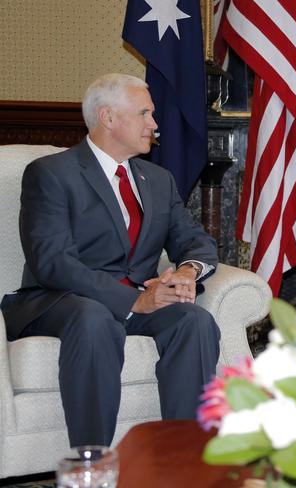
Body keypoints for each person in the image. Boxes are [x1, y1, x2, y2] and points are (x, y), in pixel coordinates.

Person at [0, 73, 220, 448]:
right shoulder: (51, 173)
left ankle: (185, 458)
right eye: (145, 113)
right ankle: (93, 461)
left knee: (194, 319)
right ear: (108, 118)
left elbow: (195, 241)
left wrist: (186, 271)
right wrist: (133, 300)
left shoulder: (159, 179)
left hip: (136, 300)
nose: (154, 124)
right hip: (60, 300)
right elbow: (53, 262)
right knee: (94, 318)